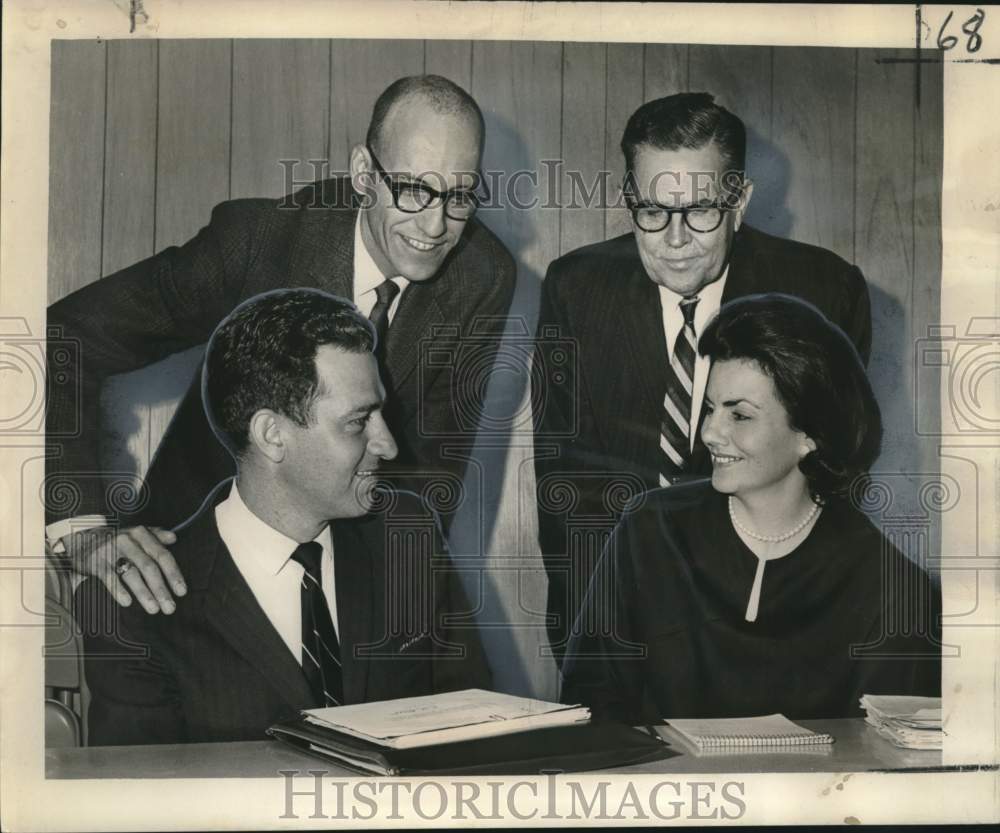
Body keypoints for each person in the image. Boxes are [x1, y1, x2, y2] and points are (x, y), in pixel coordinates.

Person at [45, 74, 516, 616]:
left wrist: (394, 601)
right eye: (413, 189)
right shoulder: (259, 242)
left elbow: (432, 467)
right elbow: (64, 337)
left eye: (460, 195)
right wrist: (80, 527)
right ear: (364, 173)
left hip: (346, 571)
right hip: (184, 568)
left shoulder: (482, 276)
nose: (435, 226)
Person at [533, 92, 873, 663]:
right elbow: (565, 485)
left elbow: (834, 480)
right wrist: (599, 640)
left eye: (701, 211)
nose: (675, 239)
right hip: (620, 623)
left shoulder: (824, 293)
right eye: (652, 210)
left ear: (739, 202)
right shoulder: (576, 288)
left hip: (771, 625)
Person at [75, 289, 492, 745]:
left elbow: (477, 736)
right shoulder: (136, 605)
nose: (388, 445)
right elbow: (140, 789)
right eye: (358, 422)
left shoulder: (408, 536)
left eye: (381, 414)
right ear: (272, 434)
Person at [560, 294, 941, 723]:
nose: (710, 433)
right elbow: (591, 703)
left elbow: (892, 753)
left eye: (739, 416)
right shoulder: (650, 527)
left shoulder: (893, 592)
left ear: (810, 435)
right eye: (709, 409)